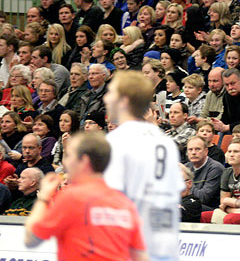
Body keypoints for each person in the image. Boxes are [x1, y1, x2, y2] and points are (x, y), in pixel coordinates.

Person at [24, 132, 147, 260]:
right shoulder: (125, 204)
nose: (65, 162)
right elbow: (140, 256)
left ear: (84, 161)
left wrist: (43, 198)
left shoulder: (72, 198)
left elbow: (31, 239)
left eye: (69, 156)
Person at [103, 71, 183, 260]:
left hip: (131, 245)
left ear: (124, 101)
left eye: (110, 93)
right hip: (164, 243)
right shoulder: (165, 142)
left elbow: (110, 198)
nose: (106, 98)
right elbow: (175, 192)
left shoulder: (117, 141)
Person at [185, 135, 224, 209]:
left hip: (209, 209)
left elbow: (203, 198)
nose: (193, 152)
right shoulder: (186, 167)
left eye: (197, 149)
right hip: (189, 204)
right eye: (190, 149)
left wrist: (186, 183)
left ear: (206, 151)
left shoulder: (215, 168)